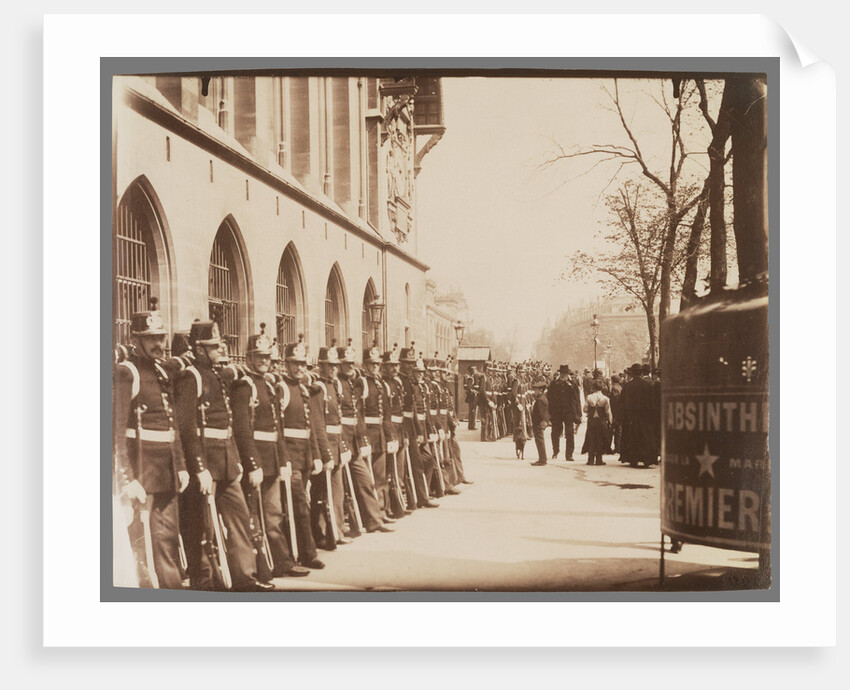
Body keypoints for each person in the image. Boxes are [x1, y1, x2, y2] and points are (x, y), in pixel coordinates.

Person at [173, 320, 273, 591]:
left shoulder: (218, 374)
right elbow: (187, 427)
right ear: (200, 349)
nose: (220, 350)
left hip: (227, 461)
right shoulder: (190, 377)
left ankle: (245, 577)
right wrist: (199, 467)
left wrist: (238, 460)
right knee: (201, 529)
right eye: (214, 346)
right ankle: (206, 583)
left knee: (239, 518)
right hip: (206, 463)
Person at [113, 298, 190, 589]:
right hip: (143, 471)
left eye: (160, 337)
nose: (159, 344)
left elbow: (173, 426)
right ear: (136, 340)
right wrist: (127, 478)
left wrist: (181, 465)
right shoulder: (127, 372)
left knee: (167, 538)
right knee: (143, 545)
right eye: (151, 339)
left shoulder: (160, 371)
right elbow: (116, 431)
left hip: (166, 469)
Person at [230, 324, 309, 579]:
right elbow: (242, 430)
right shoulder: (245, 386)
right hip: (256, 460)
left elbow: (279, 427)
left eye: (267, 357)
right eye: (259, 356)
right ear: (250, 357)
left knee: (274, 514)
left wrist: (284, 459)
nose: (264, 361)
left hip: (274, 458)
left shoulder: (270, 384)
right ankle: (260, 567)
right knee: (253, 517)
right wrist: (252, 464)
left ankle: (282, 562)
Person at [275, 335, 326, 569]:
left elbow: (311, 426)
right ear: (286, 364)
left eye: (303, 364)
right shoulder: (281, 388)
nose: (299, 368)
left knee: (299, 505)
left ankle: (300, 550)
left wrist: (315, 455)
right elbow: (278, 429)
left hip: (304, 456)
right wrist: (283, 459)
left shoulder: (304, 389)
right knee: (298, 506)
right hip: (290, 458)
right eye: (295, 363)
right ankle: (306, 553)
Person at [547, 364, 582, 461]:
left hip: (569, 412)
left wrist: (579, 413)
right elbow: (549, 398)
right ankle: (555, 451)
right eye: (562, 373)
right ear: (559, 373)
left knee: (570, 433)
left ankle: (569, 454)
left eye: (565, 374)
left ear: (568, 374)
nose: (563, 375)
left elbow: (577, 399)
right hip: (556, 412)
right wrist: (549, 413)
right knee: (555, 433)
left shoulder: (573, 384)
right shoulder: (554, 384)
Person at [582, 378, 613, 465]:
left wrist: (591, 410)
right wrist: (610, 421)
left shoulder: (589, 397)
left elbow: (585, 409)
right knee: (600, 439)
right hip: (601, 421)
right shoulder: (605, 399)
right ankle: (599, 459)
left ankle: (590, 459)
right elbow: (608, 412)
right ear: (602, 387)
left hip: (592, 421)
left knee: (591, 439)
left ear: (593, 387)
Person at [529, 380, 550, 466]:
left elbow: (541, 413)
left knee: (540, 441)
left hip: (538, 423)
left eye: (536, 390)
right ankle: (542, 458)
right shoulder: (543, 398)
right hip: (539, 423)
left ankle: (542, 459)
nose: (534, 391)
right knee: (540, 440)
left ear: (541, 390)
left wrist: (543, 421)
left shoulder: (540, 400)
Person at [465, 366, 479, 430]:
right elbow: (469, 388)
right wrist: (475, 392)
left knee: (472, 411)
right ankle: (472, 425)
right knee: (473, 411)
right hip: (473, 397)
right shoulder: (471, 378)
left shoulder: (471, 378)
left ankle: (471, 425)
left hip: (472, 397)